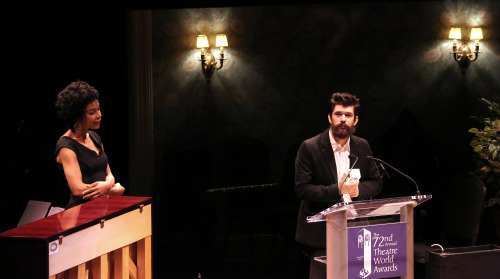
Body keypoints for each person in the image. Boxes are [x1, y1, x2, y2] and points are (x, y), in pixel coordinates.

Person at [294, 92, 383, 279]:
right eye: (338, 114)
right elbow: (301, 189)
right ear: (330, 117)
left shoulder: (363, 146)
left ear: (355, 120)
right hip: (321, 232)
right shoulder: (310, 147)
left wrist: (359, 190)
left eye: (348, 115)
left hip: (356, 230)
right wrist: (338, 190)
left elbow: (376, 182)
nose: (343, 119)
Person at [54, 80, 125, 209]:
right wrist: (113, 190)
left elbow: (109, 173)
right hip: (81, 212)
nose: (99, 115)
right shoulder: (66, 146)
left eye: (98, 109)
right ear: (76, 117)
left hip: (102, 208)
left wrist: (109, 183)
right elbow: (79, 189)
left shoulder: (94, 136)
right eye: (91, 113)